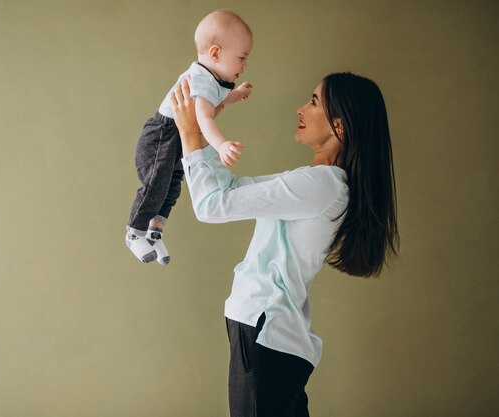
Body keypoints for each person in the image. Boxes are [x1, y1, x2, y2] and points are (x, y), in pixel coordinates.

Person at [170, 73, 399, 417]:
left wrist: (190, 133)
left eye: (313, 102)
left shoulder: (322, 185)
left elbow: (211, 206)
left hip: (265, 333)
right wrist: (205, 133)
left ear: (340, 125)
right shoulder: (318, 183)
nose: (301, 109)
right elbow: (228, 191)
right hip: (272, 337)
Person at [125, 10, 254, 265]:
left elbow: (218, 98)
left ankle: (154, 231)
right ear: (216, 53)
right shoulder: (200, 79)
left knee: (172, 185)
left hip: (176, 136)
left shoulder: (212, 78)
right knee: (156, 185)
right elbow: (204, 119)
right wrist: (221, 145)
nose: (244, 65)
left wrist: (236, 94)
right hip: (163, 135)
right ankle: (134, 232)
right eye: (241, 57)